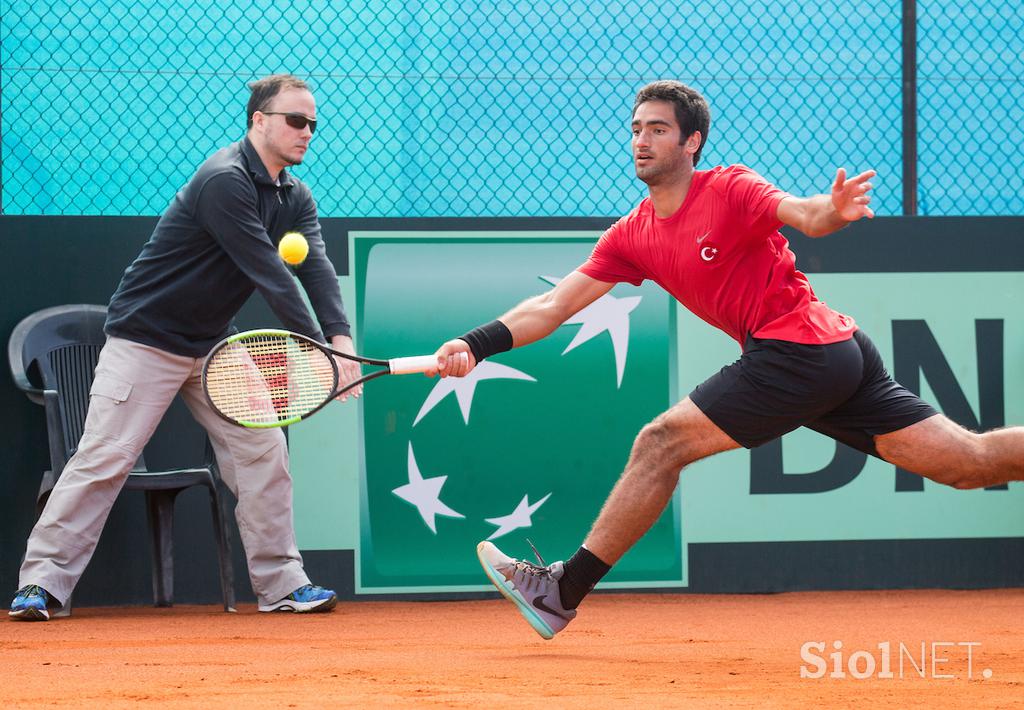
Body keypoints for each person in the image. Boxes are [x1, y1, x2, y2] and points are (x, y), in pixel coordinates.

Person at [429, 80, 1024, 640]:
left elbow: (808, 215)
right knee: (968, 464)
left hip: (800, 349)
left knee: (662, 442)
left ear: (691, 142)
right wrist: (475, 344)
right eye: (636, 128)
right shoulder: (631, 234)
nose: (641, 139)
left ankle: (561, 591)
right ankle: (559, 592)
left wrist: (833, 211)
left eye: (658, 129)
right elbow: (553, 306)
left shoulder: (732, 188)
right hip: (827, 355)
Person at [9, 74, 361, 621]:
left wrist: (340, 341)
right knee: (104, 458)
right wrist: (320, 351)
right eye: (296, 120)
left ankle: (282, 585)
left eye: (314, 123)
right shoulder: (224, 180)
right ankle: (41, 585)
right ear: (259, 120)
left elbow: (314, 266)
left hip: (212, 343)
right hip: (145, 338)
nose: (307, 131)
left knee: (264, 454)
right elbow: (270, 275)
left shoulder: (295, 195)